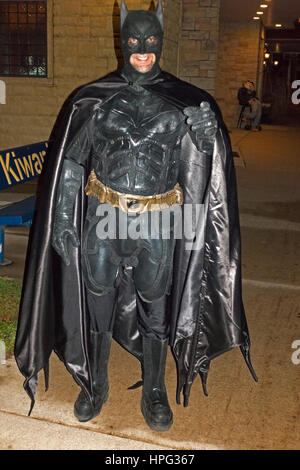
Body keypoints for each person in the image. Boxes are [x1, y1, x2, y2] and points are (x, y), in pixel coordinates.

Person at [15, 0, 257, 433]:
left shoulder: (182, 103)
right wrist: (66, 222)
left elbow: (203, 162)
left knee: (157, 310)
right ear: (121, 42)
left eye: (150, 41)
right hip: (103, 219)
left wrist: (209, 135)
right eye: (134, 41)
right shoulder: (94, 100)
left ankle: (155, 390)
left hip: (159, 222)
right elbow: (72, 162)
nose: (143, 50)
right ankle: (95, 385)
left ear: (160, 41)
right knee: (97, 304)